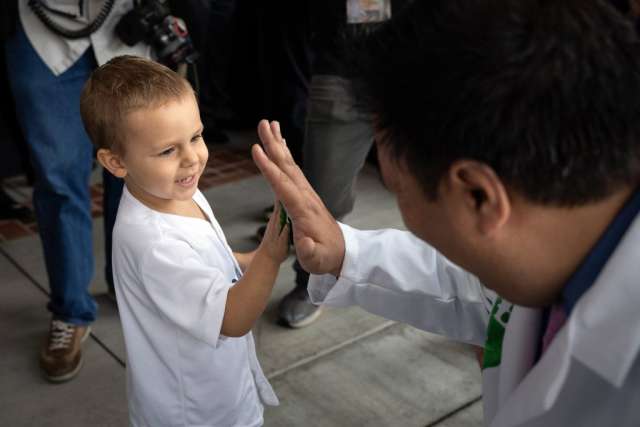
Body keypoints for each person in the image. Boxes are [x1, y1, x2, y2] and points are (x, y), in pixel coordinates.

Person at [252, 0, 640, 425]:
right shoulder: (566, 238)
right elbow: (480, 295)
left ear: (476, 195)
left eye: (393, 183)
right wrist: (344, 252)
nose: (396, 194)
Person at [80, 55, 286, 426]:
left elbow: (205, 256)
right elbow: (233, 318)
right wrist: (270, 256)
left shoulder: (170, 191)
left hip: (216, 385)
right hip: (197, 411)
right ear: (116, 163)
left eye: (195, 136)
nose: (192, 159)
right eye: (168, 150)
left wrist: (243, 259)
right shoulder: (155, 243)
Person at [4, 0, 150, 382]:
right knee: (57, 180)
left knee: (135, 171)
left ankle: (130, 286)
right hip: (39, 29)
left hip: (127, 26)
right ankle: (70, 309)